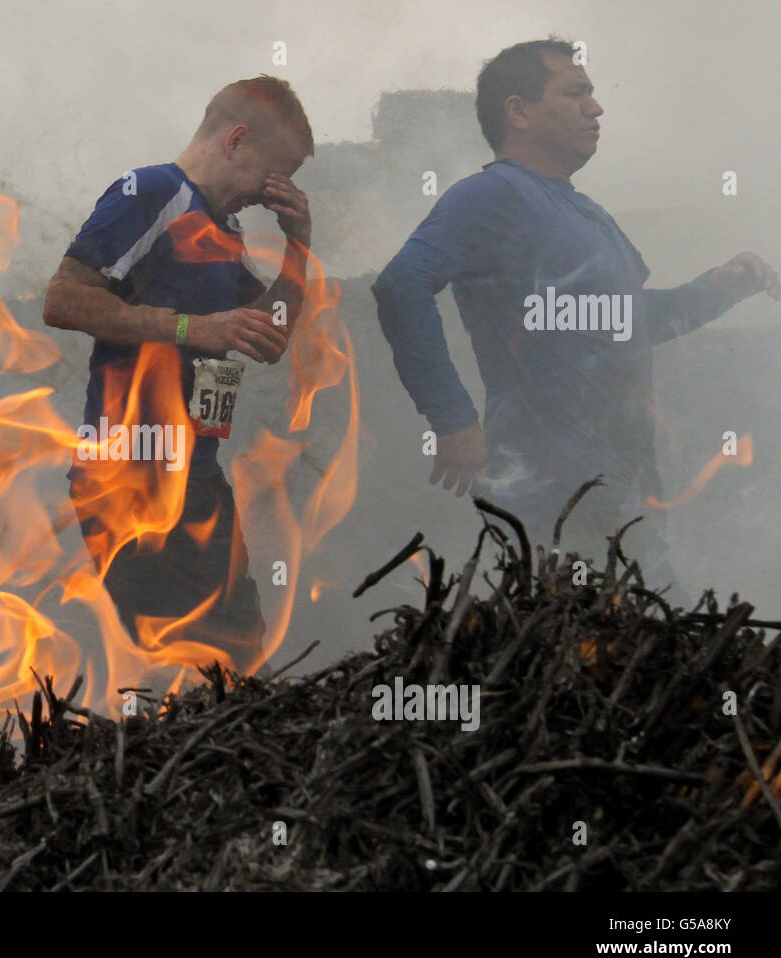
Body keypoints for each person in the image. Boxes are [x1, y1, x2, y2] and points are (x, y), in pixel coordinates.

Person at [371, 39, 779, 598]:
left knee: (641, 662)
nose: (596, 107)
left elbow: (633, 321)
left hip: (628, 498)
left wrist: (718, 289)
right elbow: (401, 285)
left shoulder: (589, 213)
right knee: (581, 657)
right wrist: (451, 416)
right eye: (575, 92)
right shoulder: (492, 195)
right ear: (519, 111)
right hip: (550, 499)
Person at [44, 76, 313, 673]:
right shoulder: (152, 192)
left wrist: (298, 245)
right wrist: (193, 329)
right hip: (129, 477)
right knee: (185, 667)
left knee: (242, 654)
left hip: (197, 475)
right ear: (236, 139)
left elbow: (269, 338)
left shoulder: (224, 228)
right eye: (275, 175)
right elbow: (62, 300)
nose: (273, 194)